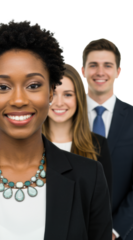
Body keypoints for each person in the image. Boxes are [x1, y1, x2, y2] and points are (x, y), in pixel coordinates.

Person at [0, 19, 112, 240]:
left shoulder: (88, 177)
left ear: (51, 92)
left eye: (33, 85)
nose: (18, 100)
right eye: (3, 87)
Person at [79, 38, 133, 240]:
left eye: (107, 65)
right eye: (93, 65)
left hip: (124, 233)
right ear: (82, 71)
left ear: (118, 72)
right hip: (76, 230)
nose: (100, 72)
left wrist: (113, 230)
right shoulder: (68, 117)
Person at [43, 62, 112, 196]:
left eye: (68, 94)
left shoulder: (98, 145)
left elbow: (104, 207)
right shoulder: (28, 144)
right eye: (52, 94)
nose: (59, 102)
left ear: (78, 98)